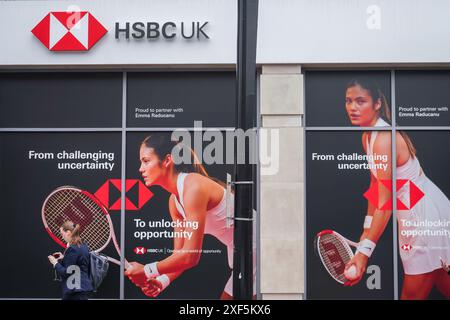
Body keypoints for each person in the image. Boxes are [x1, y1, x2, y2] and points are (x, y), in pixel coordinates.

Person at [343, 78, 450, 299]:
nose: (353, 107)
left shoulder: (383, 138)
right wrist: (366, 229)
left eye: (360, 101)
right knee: (440, 277)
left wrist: (363, 253)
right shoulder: (368, 136)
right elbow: (375, 186)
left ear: (377, 104)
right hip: (418, 209)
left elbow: (386, 201)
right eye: (349, 101)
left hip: (422, 214)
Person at [125, 133, 239, 299]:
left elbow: (190, 256)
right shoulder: (174, 202)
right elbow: (180, 254)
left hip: (260, 246)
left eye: (146, 161)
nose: (140, 168)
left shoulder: (193, 187)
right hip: (241, 253)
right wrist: (162, 281)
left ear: (167, 160)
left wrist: (147, 270)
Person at [47, 221, 93, 300]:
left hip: (74, 292)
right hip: (81, 290)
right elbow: (78, 265)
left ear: (68, 232)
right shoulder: (84, 246)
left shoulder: (72, 249)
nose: (62, 237)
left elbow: (66, 272)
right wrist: (64, 257)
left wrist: (55, 263)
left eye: (62, 234)